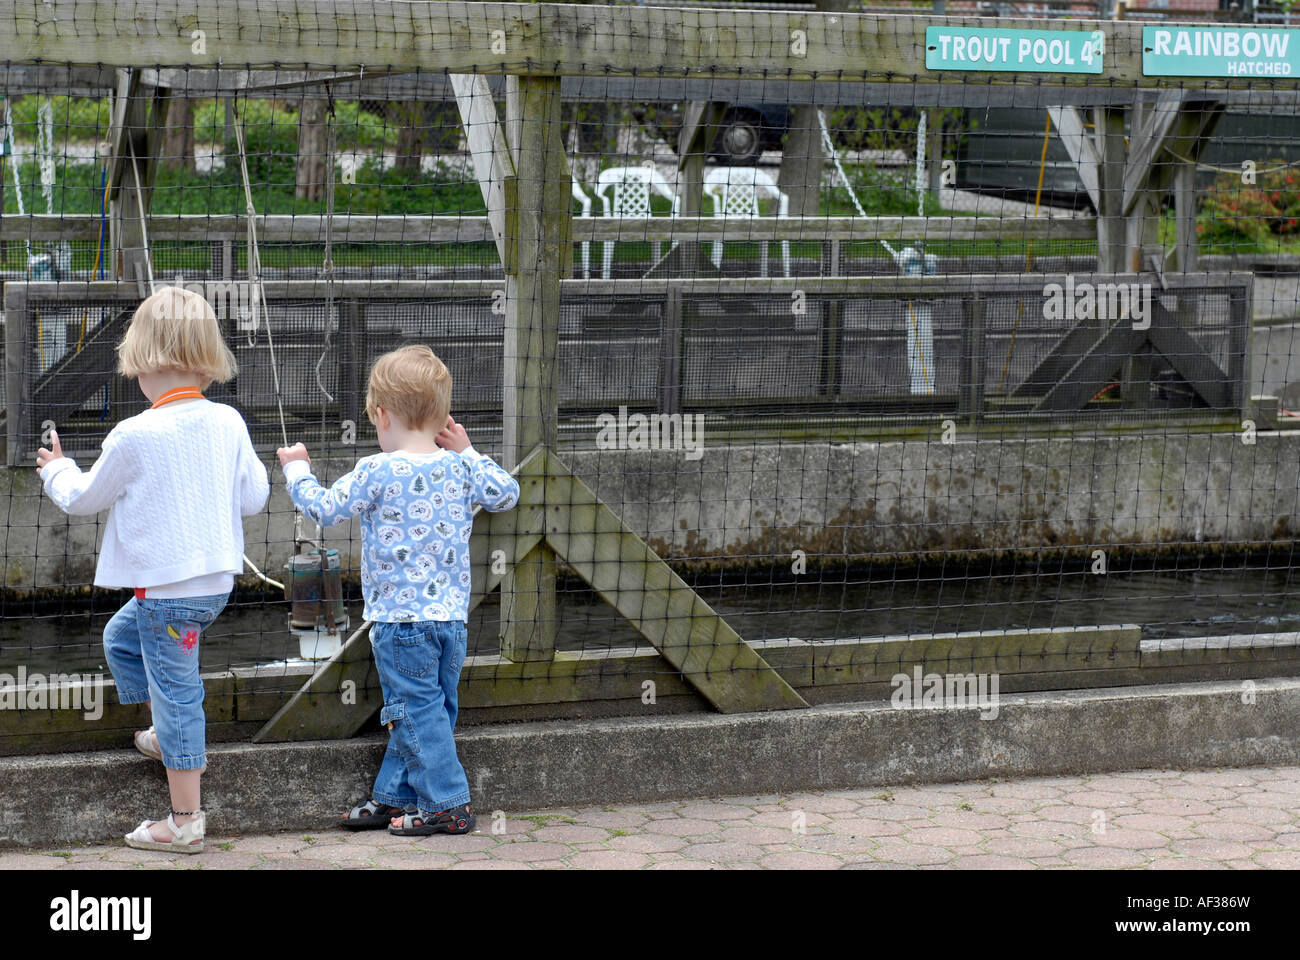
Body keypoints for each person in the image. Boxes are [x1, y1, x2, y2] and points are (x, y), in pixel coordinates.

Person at [37, 286, 269, 853]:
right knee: (121, 639)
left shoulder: (134, 432)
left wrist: (57, 469)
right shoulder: (229, 422)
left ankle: (184, 820)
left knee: (177, 691)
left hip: (166, 597)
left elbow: (84, 497)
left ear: (141, 360)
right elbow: (256, 497)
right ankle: (170, 736)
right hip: (212, 588)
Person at [277, 344, 518, 836]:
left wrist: (296, 469)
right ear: (441, 416)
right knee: (430, 711)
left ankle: (448, 805)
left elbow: (324, 510)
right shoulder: (460, 467)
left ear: (382, 415)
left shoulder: (376, 470)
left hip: (400, 623)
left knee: (413, 712)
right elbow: (506, 493)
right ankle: (395, 796)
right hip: (451, 620)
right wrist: (468, 449)